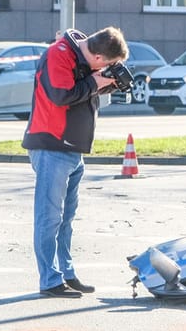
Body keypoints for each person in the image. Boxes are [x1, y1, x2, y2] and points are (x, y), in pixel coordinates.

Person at [22, 26, 129, 298]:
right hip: (51, 146)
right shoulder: (58, 55)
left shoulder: (83, 59)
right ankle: (49, 279)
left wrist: (104, 85)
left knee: (66, 219)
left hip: (73, 149)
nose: (109, 69)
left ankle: (66, 273)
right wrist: (97, 82)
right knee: (49, 218)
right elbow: (61, 95)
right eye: (109, 66)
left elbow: (81, 93)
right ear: (98, 58)